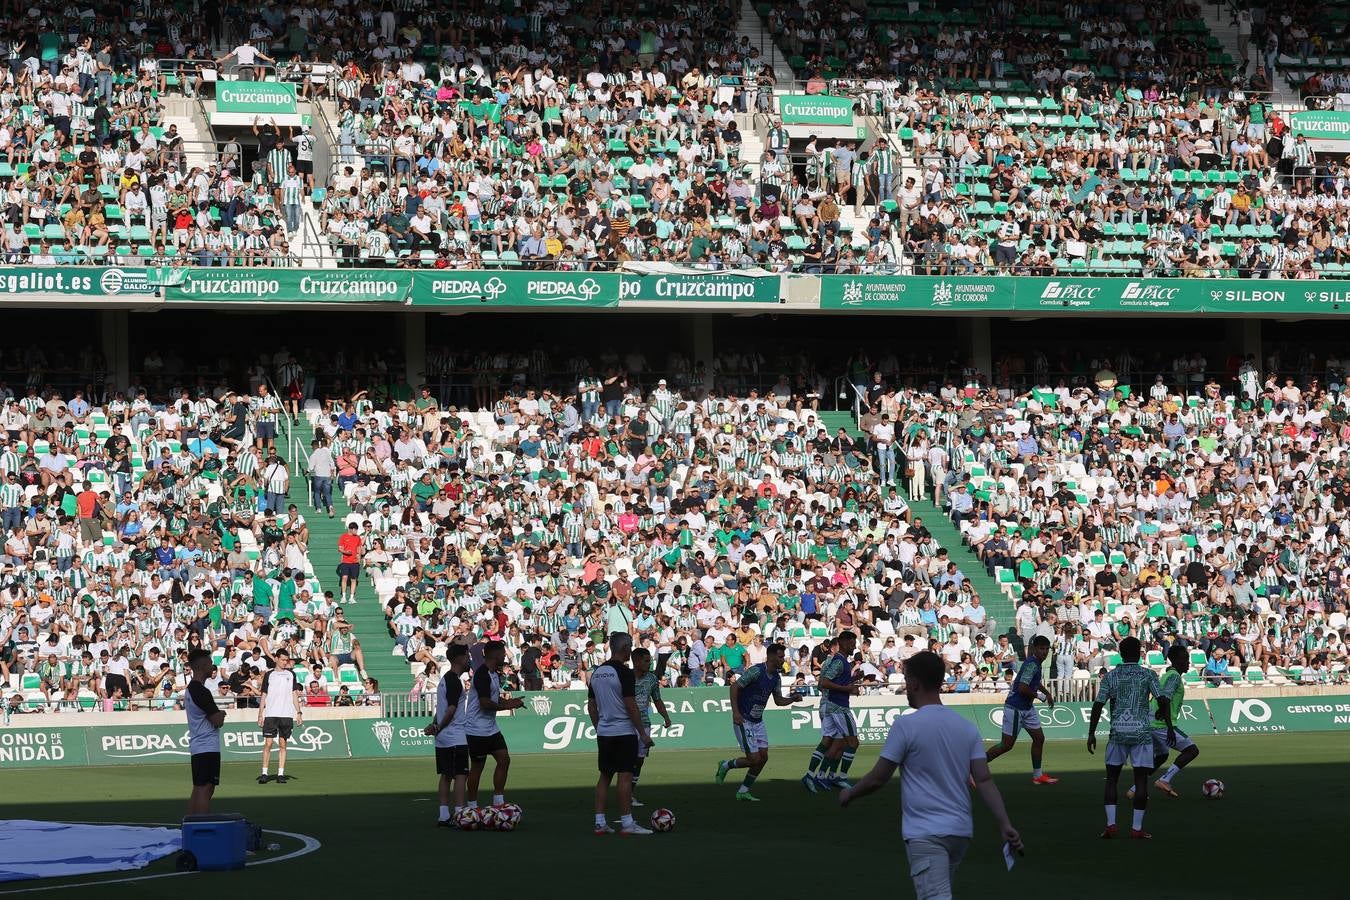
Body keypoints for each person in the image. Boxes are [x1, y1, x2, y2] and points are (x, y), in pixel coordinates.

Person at [840, 651, 1022, 900]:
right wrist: (1004, 824)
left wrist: (850, 792)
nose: (905, 687)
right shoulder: (967, 727)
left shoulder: (906, 725)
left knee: (935, 896)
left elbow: (878, 777)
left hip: (926, 832)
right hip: (959, 831)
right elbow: (984, 780)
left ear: (914, 683)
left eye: (906, 681)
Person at [1088, 636, 1172, 839]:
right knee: (1141, 780)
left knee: (1112, 780)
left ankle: (1111, 826)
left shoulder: (1111, 676)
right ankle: (1136, 829)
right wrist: (1169, 726)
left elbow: (1098, 704)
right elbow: (1162, 700)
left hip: (1118, 732)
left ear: (1121, 654)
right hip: (1141, 733)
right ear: (1140, 653)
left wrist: (1091, 733)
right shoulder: (1148, 674)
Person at [715, 641, 801, 801]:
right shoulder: (756, 671)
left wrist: (792, 699)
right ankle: (725, 765)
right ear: (771, 656)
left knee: (763, 757)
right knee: (754, 759)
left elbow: (778, 700)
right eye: (781, 657)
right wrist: (736, 713)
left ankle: (743, 791)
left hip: (758, 721)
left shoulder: (775, 677)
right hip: (744, 719)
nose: (783, 660)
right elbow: (734, 687)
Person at [587, 632, 652, 835]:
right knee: (625, 776)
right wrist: (642, 733)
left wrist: (599, 727)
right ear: (624, 648)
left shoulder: (597, 672)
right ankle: (627, 823)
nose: (630, 651)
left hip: (604, 732)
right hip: (624, 731)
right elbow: (631, 705)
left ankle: (600, 823)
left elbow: (591, 706)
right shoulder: (624, 672)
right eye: (629, 647)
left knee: (605, 776)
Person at [984, 635, 1059, 784]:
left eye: (1046, 649)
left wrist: (1046, 692)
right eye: (1041, 649)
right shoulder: (1032, 664)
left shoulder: (1036, 663)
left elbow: (1034, 682)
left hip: (1027, 707)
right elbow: (1022, 688)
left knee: (1039, 738)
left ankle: (1037, 776)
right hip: (1016, 707)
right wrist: (1041, 696)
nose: (1044, 652)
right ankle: (973, 766)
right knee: (1006, 745)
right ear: (1034, 649)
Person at [1129, 645, 1199, 800]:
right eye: (1184, 659)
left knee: (1161, 755)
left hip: (1151, 722)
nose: (1188, 662)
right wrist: (1169, 728)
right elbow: (1165, 699)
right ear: (1175, 660)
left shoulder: (1168, 675)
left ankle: (1134, 789)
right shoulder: (1174, 676)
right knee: (1191, 750)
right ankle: (1164, 779)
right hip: (1160, 724)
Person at [463, 640, 523, 809]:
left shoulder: (494, 674)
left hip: (491, 727)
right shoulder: (481, 674)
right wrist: (507, 706)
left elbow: (494, 699)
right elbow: (485, 703)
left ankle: (498, 801)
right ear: (495, 655)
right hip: (476, 729)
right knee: (477, 767)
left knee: (504, 760)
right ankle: (472, 806)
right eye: (503, 653)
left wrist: (510, 702)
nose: (504, 656)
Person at [803, 632, 860, 791]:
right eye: (852, 643)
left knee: (832, 743)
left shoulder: (841, 662)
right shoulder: (838, 661)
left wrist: (853, 680)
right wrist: (847, 688)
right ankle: (839, 776)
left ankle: (816, 776)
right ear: (841, 643)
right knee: (852, 743)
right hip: (838, 707)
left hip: (830, 705)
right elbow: (824, 683)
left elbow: (832, 681)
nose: (854, 646)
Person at [425, 643, 471, 826]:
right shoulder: (453, 680)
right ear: (460, 658)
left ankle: (443, 815)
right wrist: (438, 727)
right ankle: (460, 814)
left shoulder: (445, 679)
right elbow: (451, 709)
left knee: (445, 775)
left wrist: (435, 725)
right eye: (467, 656)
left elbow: (441, 709)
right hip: (455, 735)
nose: (468, 659)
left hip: (443, 738)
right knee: (460, 775)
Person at [185, 648, 225, 814]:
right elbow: (216, 720)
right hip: (206, 745)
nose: (212, 666)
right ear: (202, 665)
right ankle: (201, 825)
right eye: (209, 663)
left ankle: (192, 824)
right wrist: (221, 714)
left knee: (199, 787)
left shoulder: (192, 689)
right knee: (205, 788)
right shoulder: (201, 691)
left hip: (199, 746)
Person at [630, 647, 670, 808]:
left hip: (644, 723)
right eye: (646, 661)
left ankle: (629, 793)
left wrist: (666, 717)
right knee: (626, 760)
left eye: (650, 660)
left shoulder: (652, 679)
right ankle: (623, 793)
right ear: (636, 661)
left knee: (639, 760)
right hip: (625, 723)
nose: (649, 663)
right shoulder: (625, 677)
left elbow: (657, 700)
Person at [257, 649, 302, 784]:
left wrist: (298, 712)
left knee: (283, 744)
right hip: (271, 713)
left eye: (286, 660)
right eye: (282, 659)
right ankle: (264, 773)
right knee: (268, 744)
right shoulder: (269, 675)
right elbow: (264, 694)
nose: (284, 662)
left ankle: (280, 774)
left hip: (286, 714)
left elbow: (294, 694)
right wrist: (260, 714)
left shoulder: (291, 674)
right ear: (276, 659)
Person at [337, 523, 363, 604]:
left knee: (353, 579)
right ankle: (344, 597)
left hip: (355, 562)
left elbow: (359, 548)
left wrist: (359, 557)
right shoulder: (343, 536)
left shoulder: (358, 537)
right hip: (345, 561)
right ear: (351, 529)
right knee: (344, 578)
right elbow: (340, 549)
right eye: (356, 529)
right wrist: (346, 552)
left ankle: (352, 597)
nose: (356, 531)